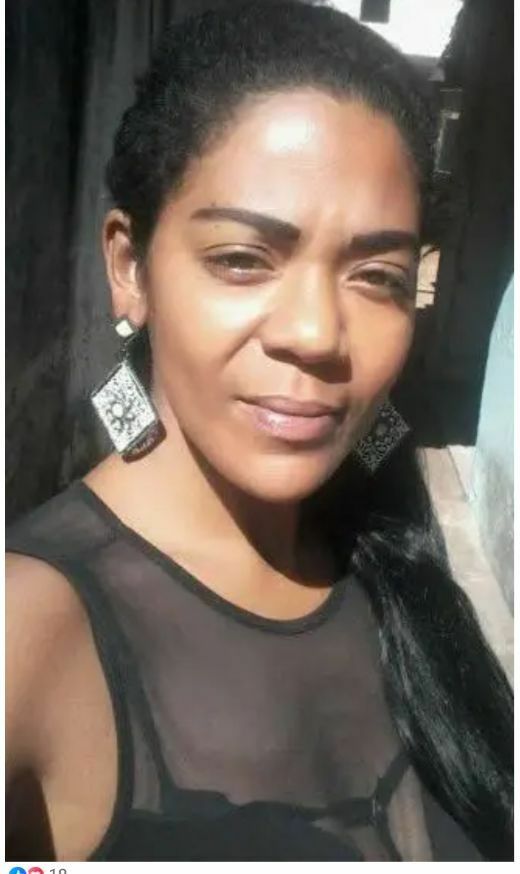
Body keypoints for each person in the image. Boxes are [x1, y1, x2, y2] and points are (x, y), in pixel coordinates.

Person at [6, 0, 512, 862]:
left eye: (377, 275)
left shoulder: (390, 553)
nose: (315, 333)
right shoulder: (27, 634)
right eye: (243, 259)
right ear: (129, 267)